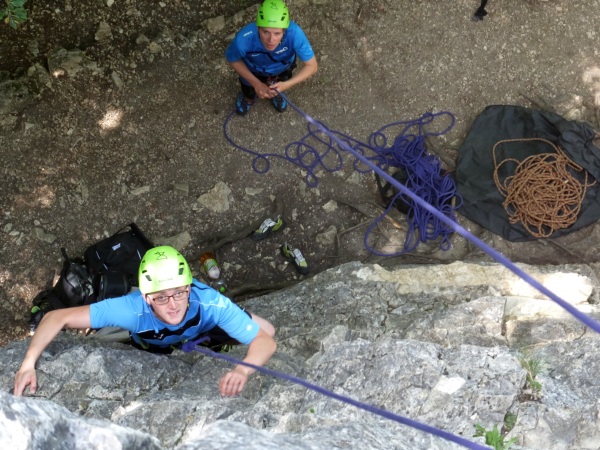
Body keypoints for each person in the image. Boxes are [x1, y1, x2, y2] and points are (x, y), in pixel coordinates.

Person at [14, 246, 277, 398]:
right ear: (146, 296)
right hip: (151, 344)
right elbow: (56, 317)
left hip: (200, 327)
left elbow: (265, 341)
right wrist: (28, 364)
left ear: (189, 287)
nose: (173, 304)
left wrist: (242, 371)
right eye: (161, 297)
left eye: (179, 293)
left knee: (268, 329)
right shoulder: (130, 309)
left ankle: (214, 336)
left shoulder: (208, 302)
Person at [225, 0, 318, 116]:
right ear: (258, 28)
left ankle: (277, 94)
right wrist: (256, 83)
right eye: (266, 32)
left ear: (284, 31)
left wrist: (286, 85)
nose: (271, 40)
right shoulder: (244, 40)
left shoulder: (294, 34)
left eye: (277, 33)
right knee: (248, 87)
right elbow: (233, 59)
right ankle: (248, 98)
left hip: (282, 68)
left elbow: (312, 66)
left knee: (278, 87)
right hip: (253, 70)